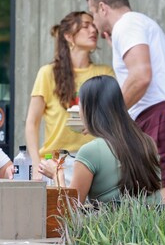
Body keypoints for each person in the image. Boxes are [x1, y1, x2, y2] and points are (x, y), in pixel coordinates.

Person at [86, 0, 165, 198]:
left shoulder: (127, 25)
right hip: (162, 119)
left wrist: (107, 116)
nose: (94, 23)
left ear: (102, 7)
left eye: (93, 15)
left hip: (162, 120)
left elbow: (140, 76)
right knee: (154, 204)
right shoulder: (136, 25)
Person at [38, 75, 162, 205]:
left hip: (113, 225)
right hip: (151, 224)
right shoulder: (147, 142)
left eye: (80, 104)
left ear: (89, 109)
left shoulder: (91, 151)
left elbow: (68, 212)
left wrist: (56, 174)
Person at [25, 11, 114, 182]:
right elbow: (32, 122)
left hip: (94, 163)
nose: (93, 30)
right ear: (68, 36)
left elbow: (114, 117)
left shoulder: (105, 73)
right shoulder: (47, 73)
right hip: (55, 163)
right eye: (85, 25)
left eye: (94, 25)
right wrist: (36, 166)